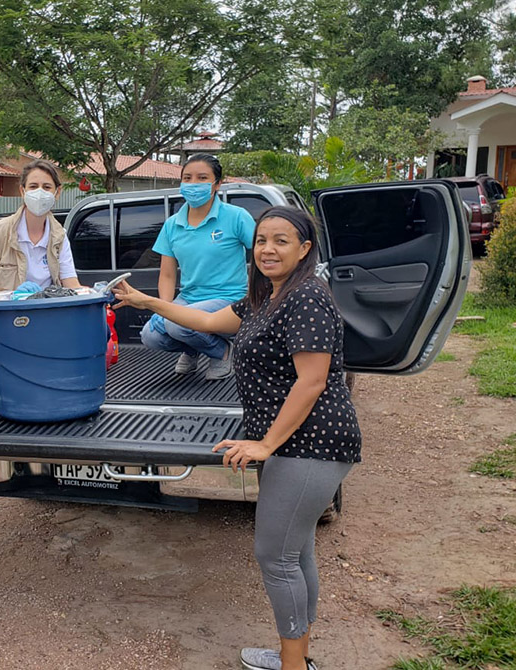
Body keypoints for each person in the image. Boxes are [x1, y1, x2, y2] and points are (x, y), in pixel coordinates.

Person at [113, 206, 360, 670]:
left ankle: (291, 666)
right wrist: (148, 303)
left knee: (276, 557)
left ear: (304, 249)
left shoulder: (306, 297)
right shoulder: (264, 297)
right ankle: (298, 657)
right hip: (291, 442)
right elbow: (204, 323)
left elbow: (312, 381)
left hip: (314, 443)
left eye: (281, 240)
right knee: (295, 551)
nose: (268, 249)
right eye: (262, 240)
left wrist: (265, 445)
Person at [142, 154, 255, 380]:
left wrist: (259, 296)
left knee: (177, 325)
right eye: (188, 178)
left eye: (202, 178)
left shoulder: (235, 216)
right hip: (190, 297)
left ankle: (223, 352)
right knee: (151, 335)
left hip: (229, 298)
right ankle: (193, 348)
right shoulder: (173, 225)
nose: (193, 184)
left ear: (217, 184)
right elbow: (166, 274)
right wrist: (164, 307)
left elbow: (263, 254)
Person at [0, 160, 80, 363]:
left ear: (57, 193)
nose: (40, 192)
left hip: (46, 328)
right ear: (22, 191)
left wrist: (95, 294)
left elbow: (72, 286)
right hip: (5, 328)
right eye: (33, 186)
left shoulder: (60, 236)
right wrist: (14, 297)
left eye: (47, 187)